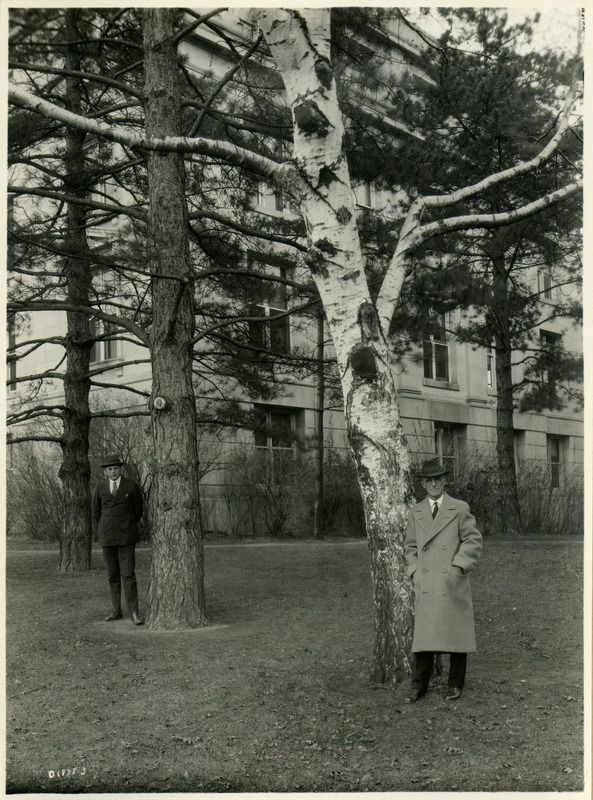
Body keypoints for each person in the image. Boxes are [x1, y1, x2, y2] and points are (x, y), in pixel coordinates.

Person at [404, 458, 482, 702]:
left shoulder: (459, 508)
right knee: (425, 636)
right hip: (427, 582)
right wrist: (415, 572)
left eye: (438, 479)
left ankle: (455, 683)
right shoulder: (415, 511)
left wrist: (458, 566)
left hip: (451, 579)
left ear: (445, 480)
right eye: (429, 480)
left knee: (457, 633)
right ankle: (419, 685)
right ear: (424, 485)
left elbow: (473, 540)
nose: (434, 484)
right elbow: (410, 547)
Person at [92, 453, 145, 625]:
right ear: (105, 472)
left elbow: (138, 511)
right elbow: (96, 513)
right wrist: (103, 529)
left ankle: (134, 612)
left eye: (115, 468)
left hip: (126, 536)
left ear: (120, 469)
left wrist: (127, 524)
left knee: (128, 574)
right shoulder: (100, 488)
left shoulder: (131, 486)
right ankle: (116, 610)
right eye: (109, 469)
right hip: (107, 537)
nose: (113, 472)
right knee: (112, 575)